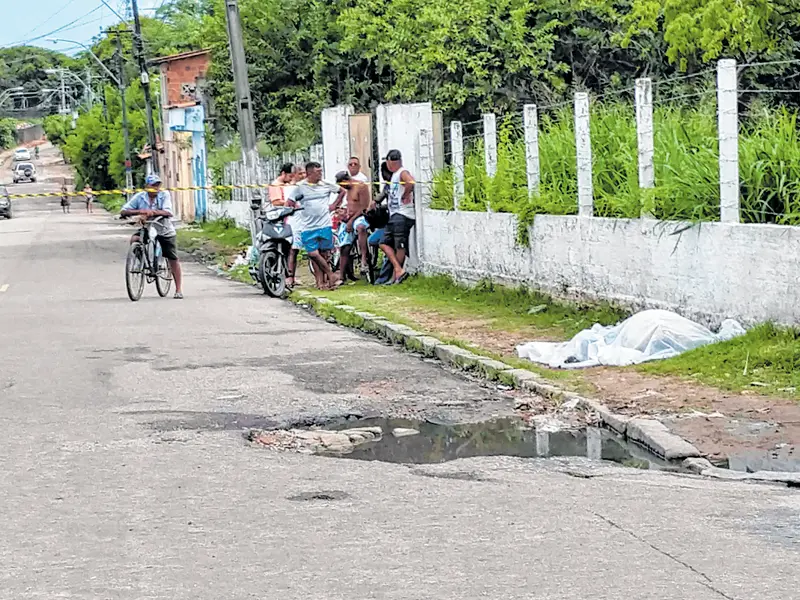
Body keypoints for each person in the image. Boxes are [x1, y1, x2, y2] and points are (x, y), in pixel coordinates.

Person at [120, 173, 184, 299]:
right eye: (153, 185)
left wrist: (153, 212)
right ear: (147, 187)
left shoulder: (164, 195)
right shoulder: (140, 197)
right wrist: (140, 211)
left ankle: (178, 289)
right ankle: (141, 261)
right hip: (147, 228)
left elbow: (168, 212)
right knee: (134, 239)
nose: (155, 188)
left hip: (163, 228)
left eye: (157, 186)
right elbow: (124, 210)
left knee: (172, 256)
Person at [286, 161, 345, 290]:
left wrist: (334, 205)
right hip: (307, 225)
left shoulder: (326, 184)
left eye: (321, 171)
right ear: (309, 173)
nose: (320, 174)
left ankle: (322, 282)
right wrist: (292, 210)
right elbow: (289, 201)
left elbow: (342, 191)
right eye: (317, 172)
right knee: (313, 254)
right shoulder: (300, 187)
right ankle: (331, 275)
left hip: (324, 224)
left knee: (324, 254)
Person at [380, 149, 415, 284]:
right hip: (395, 214)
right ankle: (398, 270)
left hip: (403, 214)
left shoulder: (402, 172)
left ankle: (397, 274)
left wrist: (406, 195)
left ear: (390, 162)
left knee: (399, 245)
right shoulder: (395, 175)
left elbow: (410, 182)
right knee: (384, 243)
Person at [335, 167, 372, 280]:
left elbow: (364, 207)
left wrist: (351, 220)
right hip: (349, 217)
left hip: (360, 217)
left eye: (342, 185)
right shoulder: (347, 190)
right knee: (344, 247)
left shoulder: (361, 186)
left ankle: (364, 258)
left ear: (346, 180)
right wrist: (344, 214)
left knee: (360, 227)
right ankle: (342, 275)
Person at [366, 161, 394, 284]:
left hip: (393, 221)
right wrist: (374, 203)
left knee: (383, 244)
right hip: (388, 221)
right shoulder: (388, 185)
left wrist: (381, 206)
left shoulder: (396, 184)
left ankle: (383, 277)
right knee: (373, 240)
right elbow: (380, 196)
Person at [286, 165, 305, 288]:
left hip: (307, 222)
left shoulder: (307, 187)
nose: (303, 176)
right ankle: (290, 277)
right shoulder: (291, 189)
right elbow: (288, 204)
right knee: (293, 250)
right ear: (293, 175)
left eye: (304, 173)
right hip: (295, 223)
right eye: (300, 173)